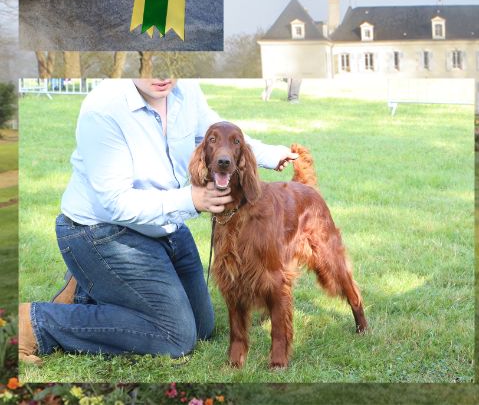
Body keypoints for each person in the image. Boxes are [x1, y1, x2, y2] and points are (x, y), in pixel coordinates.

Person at [19, 79, 297, 364]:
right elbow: (116, 203)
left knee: (202, 326)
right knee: (176, 336)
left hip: (165, 227)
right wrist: (190, 200)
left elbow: (216, 132)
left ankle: (90, 289)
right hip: (102, 231)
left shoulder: (185, 90)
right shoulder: (102, 108)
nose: (162, 74)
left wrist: (270, 154)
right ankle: (34, 323)